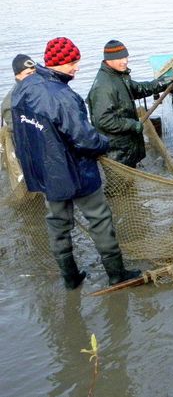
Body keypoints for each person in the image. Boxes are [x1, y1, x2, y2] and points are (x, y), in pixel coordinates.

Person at [11, 37, 141, 290]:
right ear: (57, 63)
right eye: (72, 63)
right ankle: (117, 274)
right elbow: (85, 139)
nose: (77, 68)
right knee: (100, 219)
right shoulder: (62, 96)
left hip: (46, 174)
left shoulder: (22, 89)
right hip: (76, 171)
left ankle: (70, 277)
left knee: (57, 223)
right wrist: (103, 143)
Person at [87, 40, 172, 167]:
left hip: (126, 147)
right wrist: (132, 124)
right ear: (108, 60)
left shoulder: (118, 75)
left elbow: (138, 89)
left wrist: (161, 83)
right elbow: (104, 120)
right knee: (120, 183)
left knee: (130, 180)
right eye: (119, 58)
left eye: (126, 56)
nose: (125, 61)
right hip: (116, 151)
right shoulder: (103, 87)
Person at [1, 54, 36, 131]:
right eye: (28, 74)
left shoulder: (38, 90)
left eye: (34, 72)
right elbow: (17, 131)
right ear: (17, 76)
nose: (33, 76)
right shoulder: (10, 101)